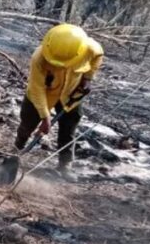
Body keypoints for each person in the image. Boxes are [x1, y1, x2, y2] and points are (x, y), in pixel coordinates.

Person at [15, 24, 104, 182]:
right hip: (43, 94)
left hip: (71, 93)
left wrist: (88, 78)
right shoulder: (39, 57)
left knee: (69, 129)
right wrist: (45, 116)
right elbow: (37, 88)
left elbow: (97, 57)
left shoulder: (91, 49)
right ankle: (15, 152)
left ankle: (65, 164)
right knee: (27, 123)